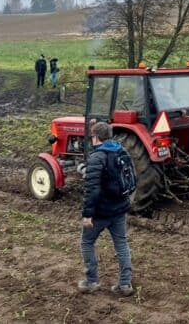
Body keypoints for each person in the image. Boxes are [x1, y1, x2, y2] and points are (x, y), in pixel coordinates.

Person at [78, 121, 134, 297]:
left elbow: (92, 190)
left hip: (102, 212)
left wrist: (88, 215)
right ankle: (125, 285)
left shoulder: (96, 157)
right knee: (121, 244)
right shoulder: (121, 151)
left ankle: (91, 281)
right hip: (119, 209)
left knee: (87, 243)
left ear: (95, 137)